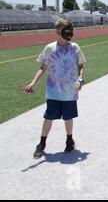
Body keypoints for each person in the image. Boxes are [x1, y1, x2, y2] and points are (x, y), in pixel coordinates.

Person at [24, 19, 86, 159]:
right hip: (53, 91)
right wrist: (33, 83)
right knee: (48, 117)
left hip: (70, 91)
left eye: (71, 29)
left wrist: (80, 79)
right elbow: (43, 67)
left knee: (68, 117)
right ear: (58, 32)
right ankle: (41, 144)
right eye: (66, 29)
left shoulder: (75, 47)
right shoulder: (50, 48)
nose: (69, 32)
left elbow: (80, 65)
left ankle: (69, 140)